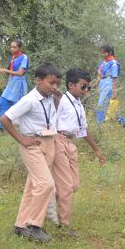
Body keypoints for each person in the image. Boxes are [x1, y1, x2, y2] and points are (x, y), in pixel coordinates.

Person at [0, 63, 61, 243]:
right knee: (46, 184)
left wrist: (56, 100)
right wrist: (22, 139)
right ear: (38, 80)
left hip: (49, 142)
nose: (55, 87)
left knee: (33, 185)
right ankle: (35, 225)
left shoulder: (50, 98)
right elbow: (5, 118)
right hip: (32, 144)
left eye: (57, 83)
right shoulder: (30, 100)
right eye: (51, 83)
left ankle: (20, 226)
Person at [46, 68, 106, 236]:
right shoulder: (61, 100)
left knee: (74, 185)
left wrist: (97, 150)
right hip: (58, 140)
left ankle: (45, 205)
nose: (86, 91)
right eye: (83, 87)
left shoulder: (79, 104)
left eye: (88, 88)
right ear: (71, 85)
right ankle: (63, 225)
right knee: (65, 186)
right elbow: (52, 99)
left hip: (71, 143)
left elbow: (83, 130)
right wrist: (56, 93)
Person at [0, 40, 29, 134]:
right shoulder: (13, 57)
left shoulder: (24, 58)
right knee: (2, 102)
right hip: (11, 83)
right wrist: (5, 72)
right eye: (11, 47)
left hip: (19, 84)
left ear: (19, 48)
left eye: (14, 47)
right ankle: (2, 127)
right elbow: (11, 71)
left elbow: (20, 73)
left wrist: (5, 70)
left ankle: (23, 130)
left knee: (18, 107)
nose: (12, 49)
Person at [96, 45, 120, 124]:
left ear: (110, 52)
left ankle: (99, 124)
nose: (102, 54)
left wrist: (114, 91)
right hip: (102, 85)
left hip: (108, 85)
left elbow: (114, 78)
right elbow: (99, 76)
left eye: (104, 53)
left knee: (101, 105)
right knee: (106, 106)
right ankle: (122, 122)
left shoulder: (113, 63)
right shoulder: (104, 63)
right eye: (101, 53)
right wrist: (94, 85)